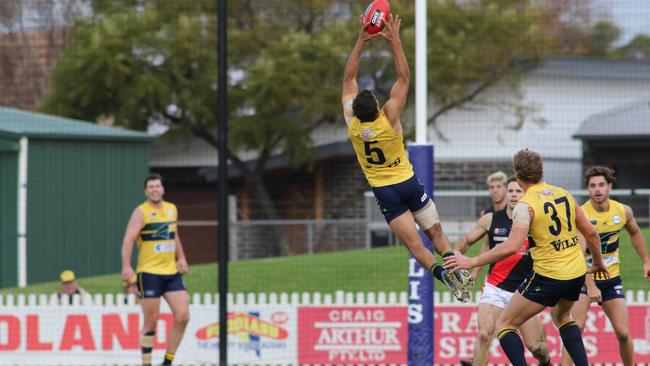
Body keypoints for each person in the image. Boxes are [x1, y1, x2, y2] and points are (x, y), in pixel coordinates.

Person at [341, 14, 474, 301]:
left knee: (415, 246)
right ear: (378, 107)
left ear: (356, 110)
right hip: (407, 183)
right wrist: (395, 40)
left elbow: (348, 77)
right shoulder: (388, 118)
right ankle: (456, 268)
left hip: (385, 193)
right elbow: (404, 77)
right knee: (436, 233)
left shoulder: (352, 124)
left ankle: (443, 276)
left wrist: (361, 40)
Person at [444, 149, 609, 366]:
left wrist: (471, 261)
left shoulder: (525, 205)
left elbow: (512, 246)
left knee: (505, 324)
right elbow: (591, 233)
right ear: (541, 173)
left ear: (518, 175)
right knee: (563, 318)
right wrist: (597, 262)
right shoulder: (563, 194)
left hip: (549, 275)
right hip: (576, 272)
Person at [560, 166, 650, 366]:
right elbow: (577, 255)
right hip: (583, 279)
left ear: (610, 187)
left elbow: (635, 232)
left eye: (601, 185)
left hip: (611, 280)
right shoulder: (581, 216)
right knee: (576, 330)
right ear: (588, 189)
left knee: (624, 333)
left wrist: (646, 260)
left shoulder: (623, 211)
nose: (597, 190)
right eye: (592, 186)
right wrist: (591, 285)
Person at [456, 177, 550, 366]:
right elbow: (466, 241)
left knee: (534, 346)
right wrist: (451, 258)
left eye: (518, 191)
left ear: (525, 194)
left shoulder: (535, 221)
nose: (514, 195)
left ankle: (546, 361)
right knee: (484, 334)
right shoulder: (490, 219)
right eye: (511, 191)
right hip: (495, 287)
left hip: (524, 291)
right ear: (506, 195)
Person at [121, 173, 190, 366]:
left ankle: (167, 361)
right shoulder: (140, 212)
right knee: (151, 320)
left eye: (157, 186)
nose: (154, 190)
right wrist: (126, 266)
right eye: (150, 187)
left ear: (163, 189)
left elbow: (174, 234)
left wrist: (181, 257)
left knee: (183, 316)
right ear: (146, 191)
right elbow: (128, 240)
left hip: (171, 273)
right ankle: (146, 363)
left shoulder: (171, 209)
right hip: (149, 273)